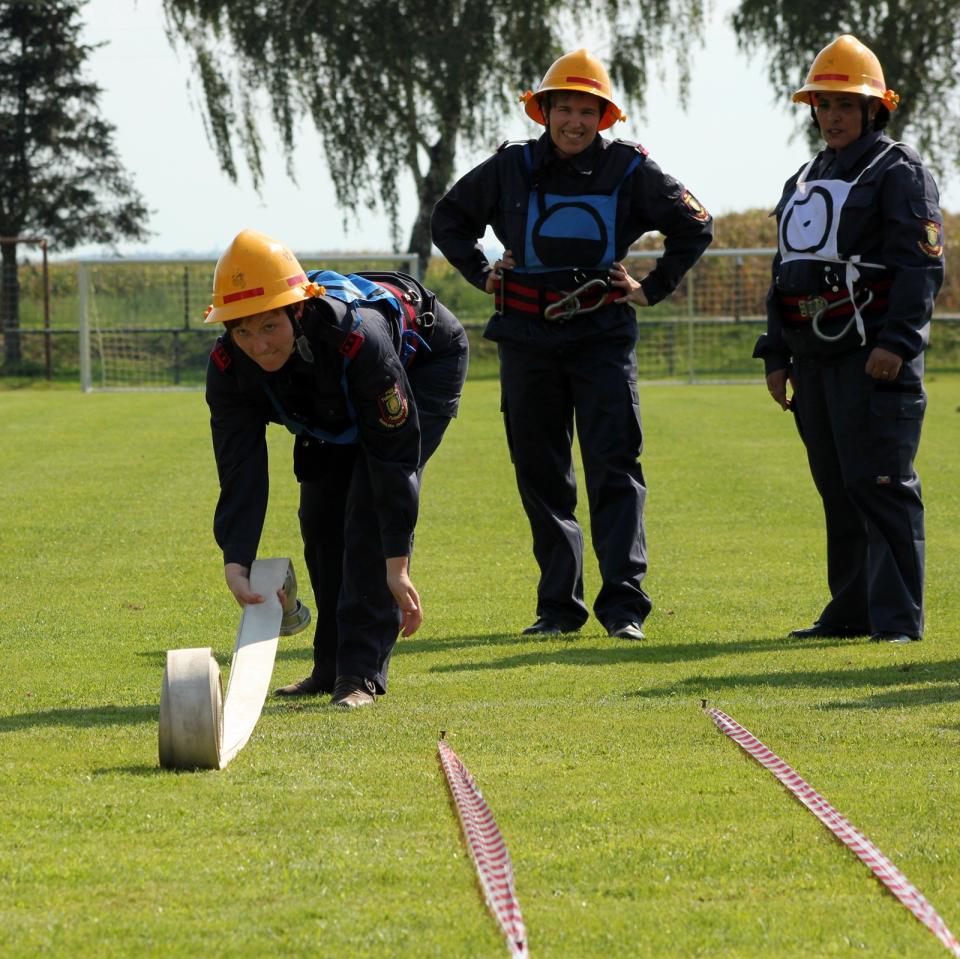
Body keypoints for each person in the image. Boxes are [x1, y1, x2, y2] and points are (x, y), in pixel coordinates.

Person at [431, 49, 712, 641]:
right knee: (541, 473)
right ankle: (558, 609)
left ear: (604, 117)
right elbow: (449, 218)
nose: (575, 122)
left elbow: (695, 224)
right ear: (544, 111)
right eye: (564, 109)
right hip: (525, 338)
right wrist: (482, 273)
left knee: (615, 467)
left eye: (588, 111)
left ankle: (624, 609)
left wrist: (651, 288)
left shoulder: (631, 168)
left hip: (603, 336)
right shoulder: (508, 166)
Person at [204, 229, 468, 706]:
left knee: (366, 513)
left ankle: (360, 675)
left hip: (423, 365)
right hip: (328, 399)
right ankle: (329, 667)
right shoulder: (228, 367)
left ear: (297, 310)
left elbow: (392, 459)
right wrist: (236, 560)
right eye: (242, 332)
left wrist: (397, 566)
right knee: (321, 519)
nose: (259, 346)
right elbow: (240, 468)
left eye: (269, 327)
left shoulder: (357, 340)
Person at [753, 35, 944, 644]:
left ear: (873, 109)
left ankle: (897, 621)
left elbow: (920, 266)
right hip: (814, 361)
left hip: (873, 360)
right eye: (823, 105)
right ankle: (850, 612)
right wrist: (776, 353)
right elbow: (785, 270)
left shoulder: (900, 172)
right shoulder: (805, 177)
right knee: (838, 489)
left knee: (881, 485)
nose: (832, 116)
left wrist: (898, 343)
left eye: (844, 105)